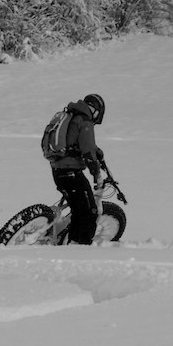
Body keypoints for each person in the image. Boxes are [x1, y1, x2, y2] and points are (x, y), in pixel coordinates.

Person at [46, 93, 106, 245]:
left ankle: (70, 242)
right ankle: (80, 248)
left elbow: (77, 142)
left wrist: (96, 150)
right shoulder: (84, 121)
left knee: (79, 209)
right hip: (71, 172)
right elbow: (87, 151)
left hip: (58, 170)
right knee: (89, 212)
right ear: (95, 110)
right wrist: (97, 173)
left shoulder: (72, 116)